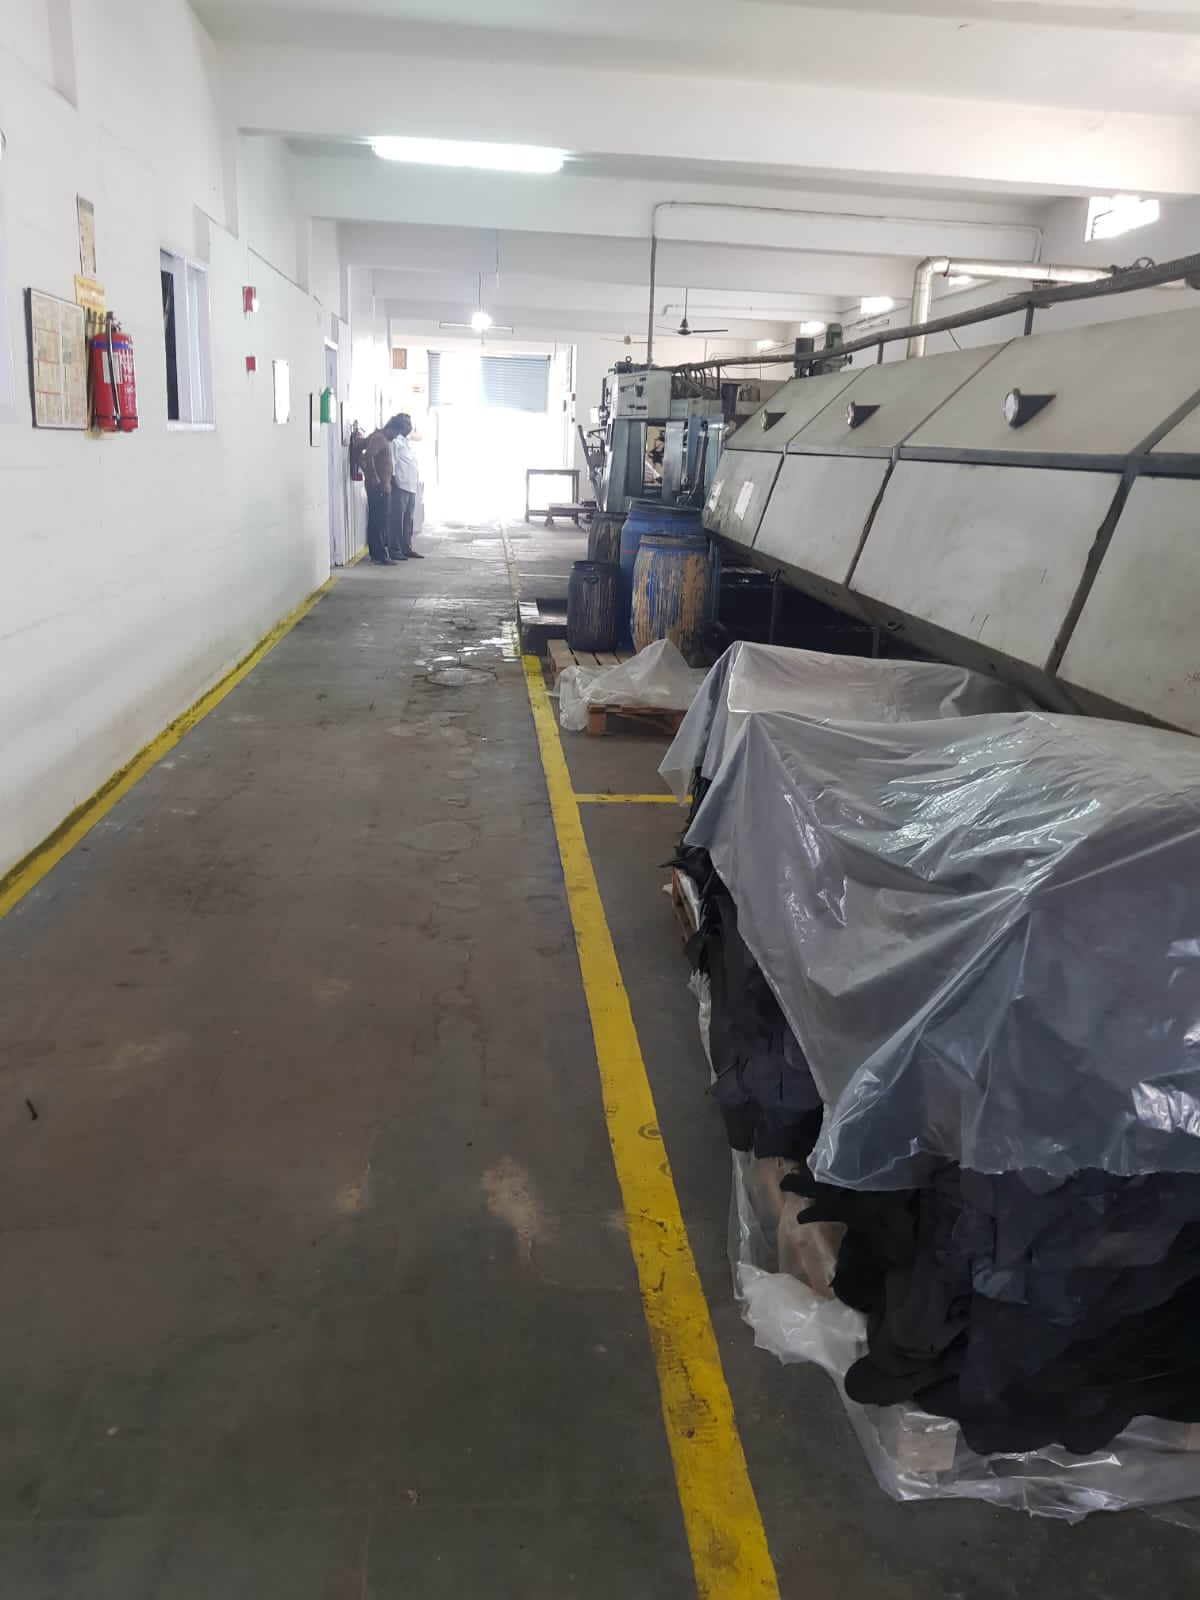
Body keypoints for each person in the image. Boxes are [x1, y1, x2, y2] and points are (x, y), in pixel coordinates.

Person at [362, 416, 405, 565]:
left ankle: (377, 554)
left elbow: (363, 451)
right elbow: (368, 455)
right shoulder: (379, 438)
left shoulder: (379, 438)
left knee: (378, 521)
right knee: (379, 523)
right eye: (396, 433)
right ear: (391, 428)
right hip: (378, 488)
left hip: (382, 486)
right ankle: (380, 555)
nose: (396, 436)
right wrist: (373, 475)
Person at [388, 414, 423, 560]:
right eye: (407, 424)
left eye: (410, 423)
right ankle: (395, 549)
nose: (410, 426)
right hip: (400, 486)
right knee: (397, 520)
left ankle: (406, 548)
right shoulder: (395, 442)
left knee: (408, 520)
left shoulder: (407, 443)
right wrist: (393, 482)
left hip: (411, 487)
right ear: (399, 425)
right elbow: (392, 463)